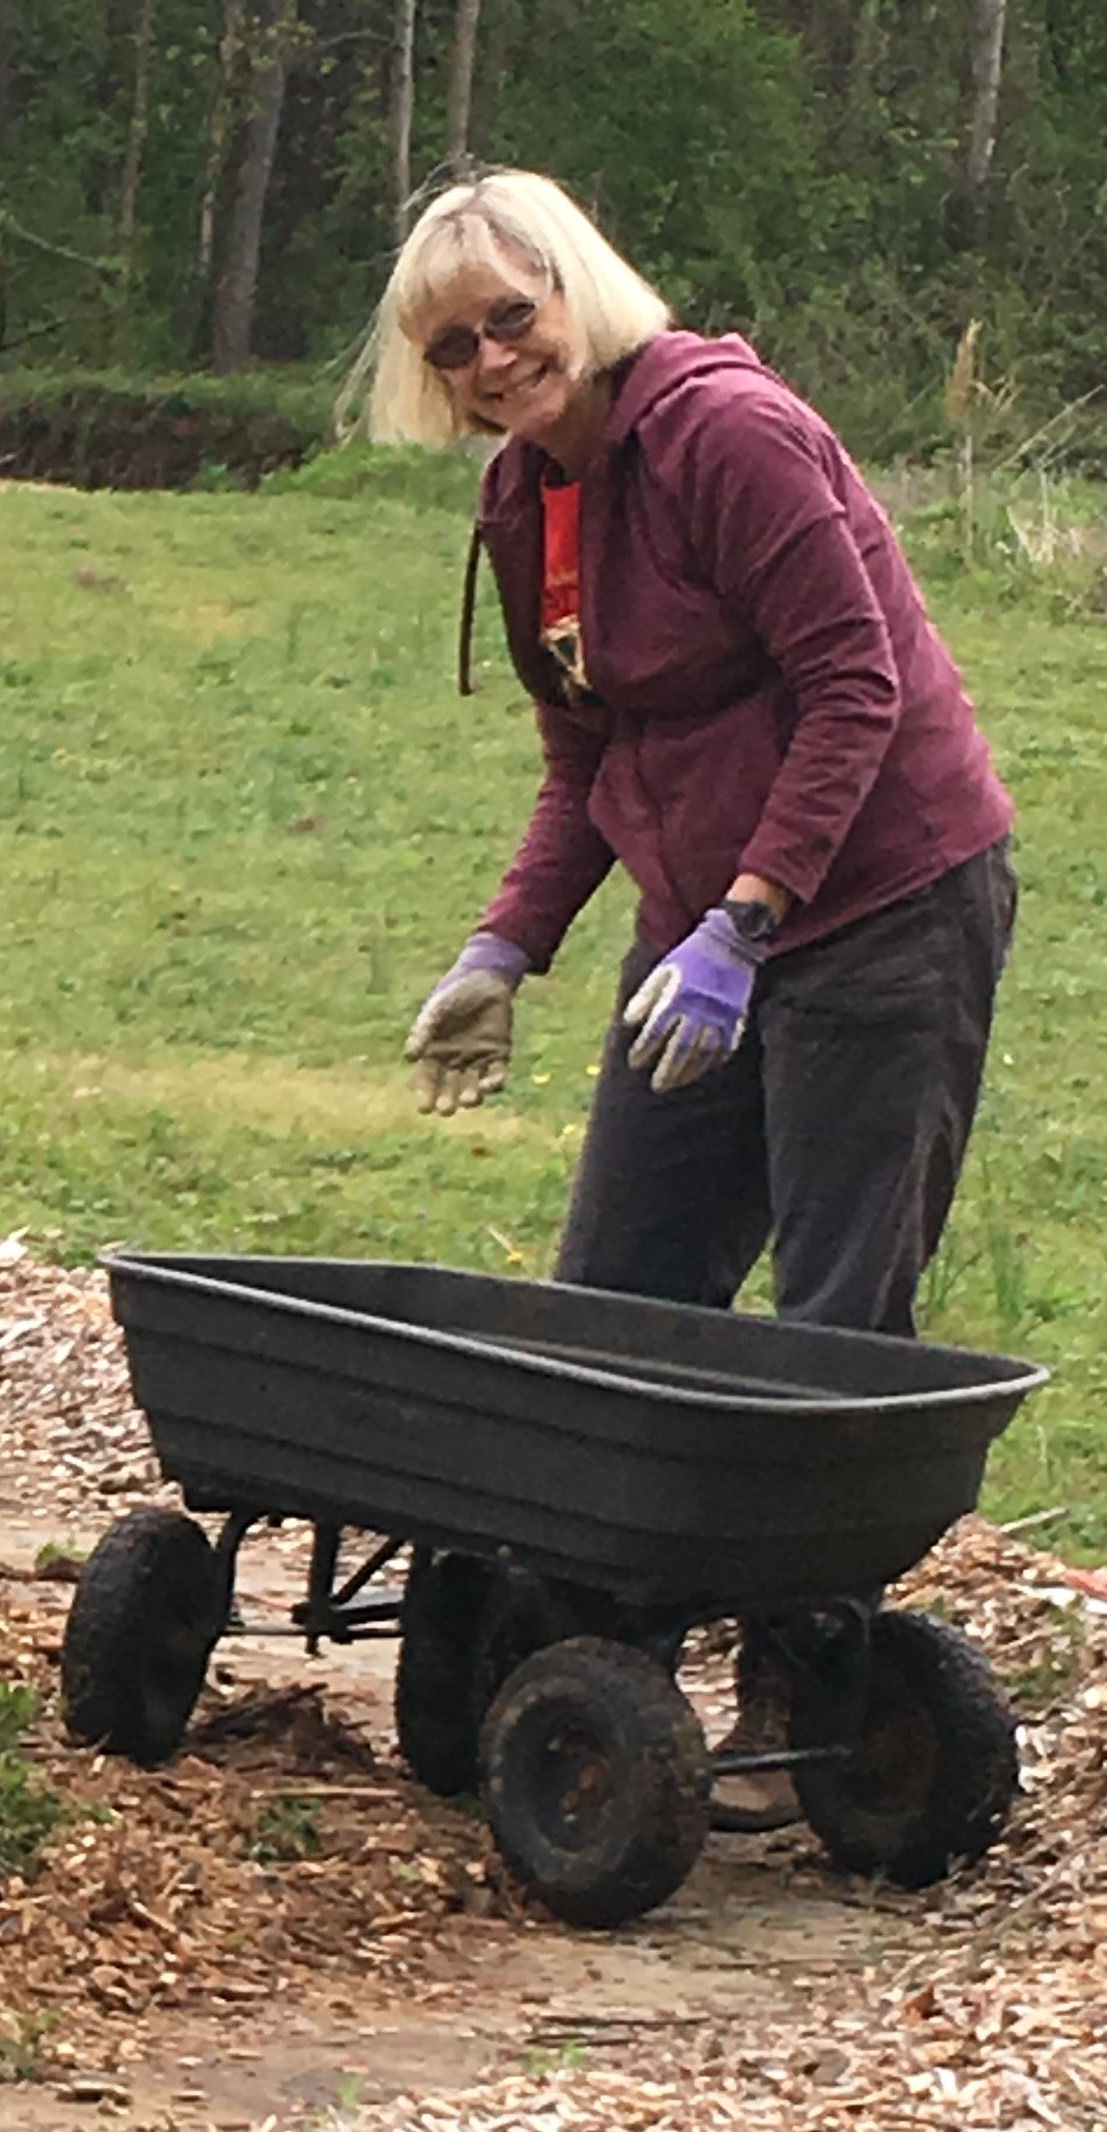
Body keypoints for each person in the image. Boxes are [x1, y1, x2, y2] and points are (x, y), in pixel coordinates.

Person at [364, 169, 1018, 1828]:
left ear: (577, 289)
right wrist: (506, 947)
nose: (496, 359)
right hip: (704, 922)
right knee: (614, 1296)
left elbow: (855, 682)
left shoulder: (728, 433)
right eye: (457, 345)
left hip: (882, 905)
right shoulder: (530, 504)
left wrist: (748, 916)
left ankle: (809, 1700)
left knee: (833, 1326)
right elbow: (589, 751)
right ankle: (595, 1678)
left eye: (515, 316)